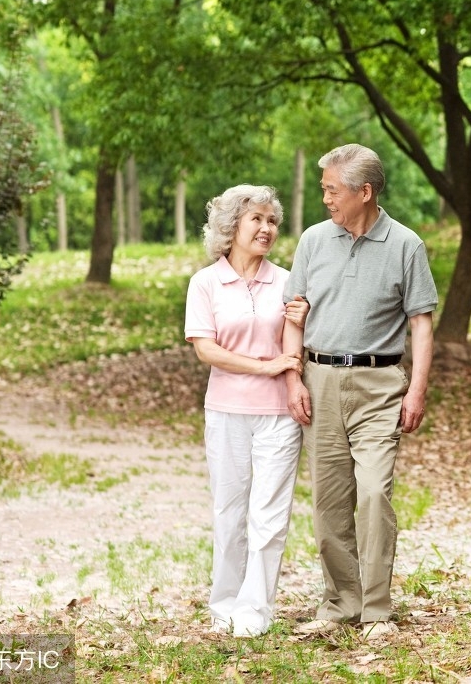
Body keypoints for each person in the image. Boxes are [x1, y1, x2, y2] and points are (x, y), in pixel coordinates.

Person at [282, 144, 437, 640]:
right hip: (320, 380)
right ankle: (339, 603)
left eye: (332, 189)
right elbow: (294, 313)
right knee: (329, 500)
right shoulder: (312, 241)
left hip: (379, 385)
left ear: (363, 192)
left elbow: (421, 323)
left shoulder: (406, 245)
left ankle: (376, 610)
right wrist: (292, 376)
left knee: (373, 493)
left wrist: (417, 389)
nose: (325, 197)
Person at [184, 185, 310, 637]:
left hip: (279, 414)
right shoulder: (205, 283)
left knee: (270, 516)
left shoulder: (288, 280)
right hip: (225, 411)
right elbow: (206, 350)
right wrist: (267, 365)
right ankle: (224, 606)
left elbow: (294, 340)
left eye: (272, 221)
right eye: (256, 219)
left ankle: (255, 610)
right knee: (229, 512)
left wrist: (289, 370)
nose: (266, 228)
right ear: (231, 226)